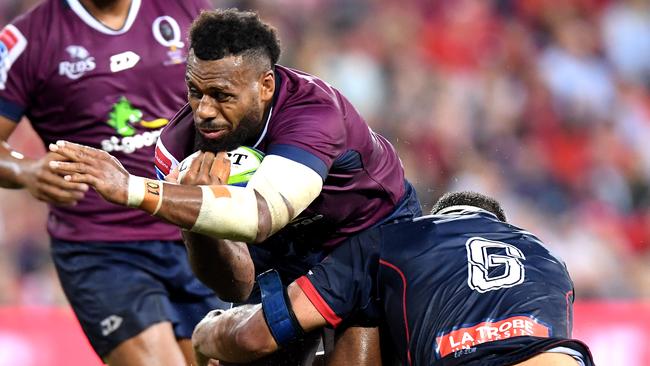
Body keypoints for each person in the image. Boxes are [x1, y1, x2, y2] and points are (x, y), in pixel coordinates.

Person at [48, 8, 422, 364]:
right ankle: (205, 338)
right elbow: (235, 284)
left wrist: (133, 190)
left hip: (368, 236)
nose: (204, 111)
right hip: (284, 253)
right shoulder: (177, 149)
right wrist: (197, 223)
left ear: (265, 85)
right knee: (243, 347)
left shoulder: (314, 113)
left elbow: (261, 215)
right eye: (195, 91)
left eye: (222, 95)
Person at [0, 1, 227, 364]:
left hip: (193, 230)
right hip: (101, 248)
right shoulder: (28, 40)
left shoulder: (188, 10)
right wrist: (25, 171)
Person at [190, 191, 595, 366]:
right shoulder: (549, 258)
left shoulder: (392, 239)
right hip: (558, 359)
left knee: (362, 319)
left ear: (437, 217)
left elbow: (264, 330)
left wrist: (207, 333)